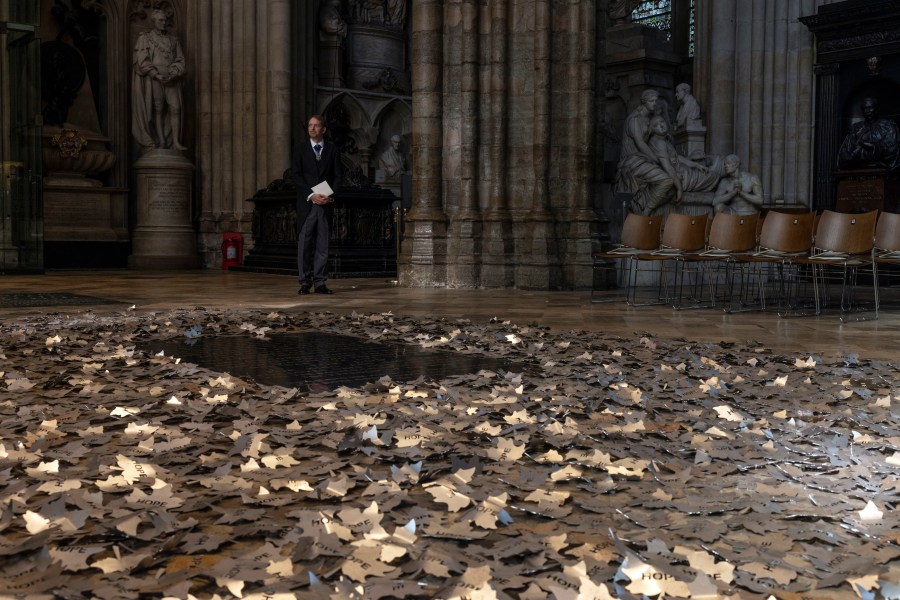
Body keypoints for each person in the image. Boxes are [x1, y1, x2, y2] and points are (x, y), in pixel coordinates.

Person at [294, 115, 343, 295]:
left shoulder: (332, 150)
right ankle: (305, 282)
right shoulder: (300, 149)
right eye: (310, 125)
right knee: (304, 245)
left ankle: (320, 282)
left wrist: (329, 195)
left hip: (325, 203)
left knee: (323, 245)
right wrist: (312, 194)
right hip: (307, 204)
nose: (313, 128)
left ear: (323, 129)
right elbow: (296, 176)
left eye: (316, 126)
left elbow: (338, 176)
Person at [132, 9, 187, 151]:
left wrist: (174, 72)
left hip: (171, 79)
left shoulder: (173, 39)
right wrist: (156, 74)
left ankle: (175, 142)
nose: (164, 23)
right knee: (159, 109)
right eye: (160, 20)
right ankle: (161, 141)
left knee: (176, 108)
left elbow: (180, 59)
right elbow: (141, 60)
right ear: (153, 22)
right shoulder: (145, 38)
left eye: (165, 20)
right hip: (156, 79)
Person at [616, 89, 676, 215]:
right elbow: (640, 143)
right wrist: (656, 159)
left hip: (643, 159)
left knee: (673, 182)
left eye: (655, 100)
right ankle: (646, 211)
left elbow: (652, 138)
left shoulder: (648, 119)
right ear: (644, 102)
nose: (654, 103)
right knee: (667, 180)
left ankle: (645, 206)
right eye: (651, 101)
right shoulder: (634, 119)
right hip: (632, 161)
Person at [646, 115, 722, 209]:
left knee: (706, 168)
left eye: (662, 122)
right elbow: (668, 167)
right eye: (656, 125)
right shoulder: (659, 143)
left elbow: (677, 158)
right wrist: (679, 188)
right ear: (652, 130)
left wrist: (696, 165)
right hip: (681, 176)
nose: (661, 125)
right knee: (713, 176)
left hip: (681, 170)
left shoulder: (663, 141)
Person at [837, 96, 900, 171]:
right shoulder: (856, 128)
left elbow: (893, 150)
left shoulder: (888, 126)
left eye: (870, 107)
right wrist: (859, 149)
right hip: (856, 170)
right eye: (864, 108)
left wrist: (874, 148)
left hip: (883, 172)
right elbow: (845, 154)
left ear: (877, 109)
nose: (867, 111)